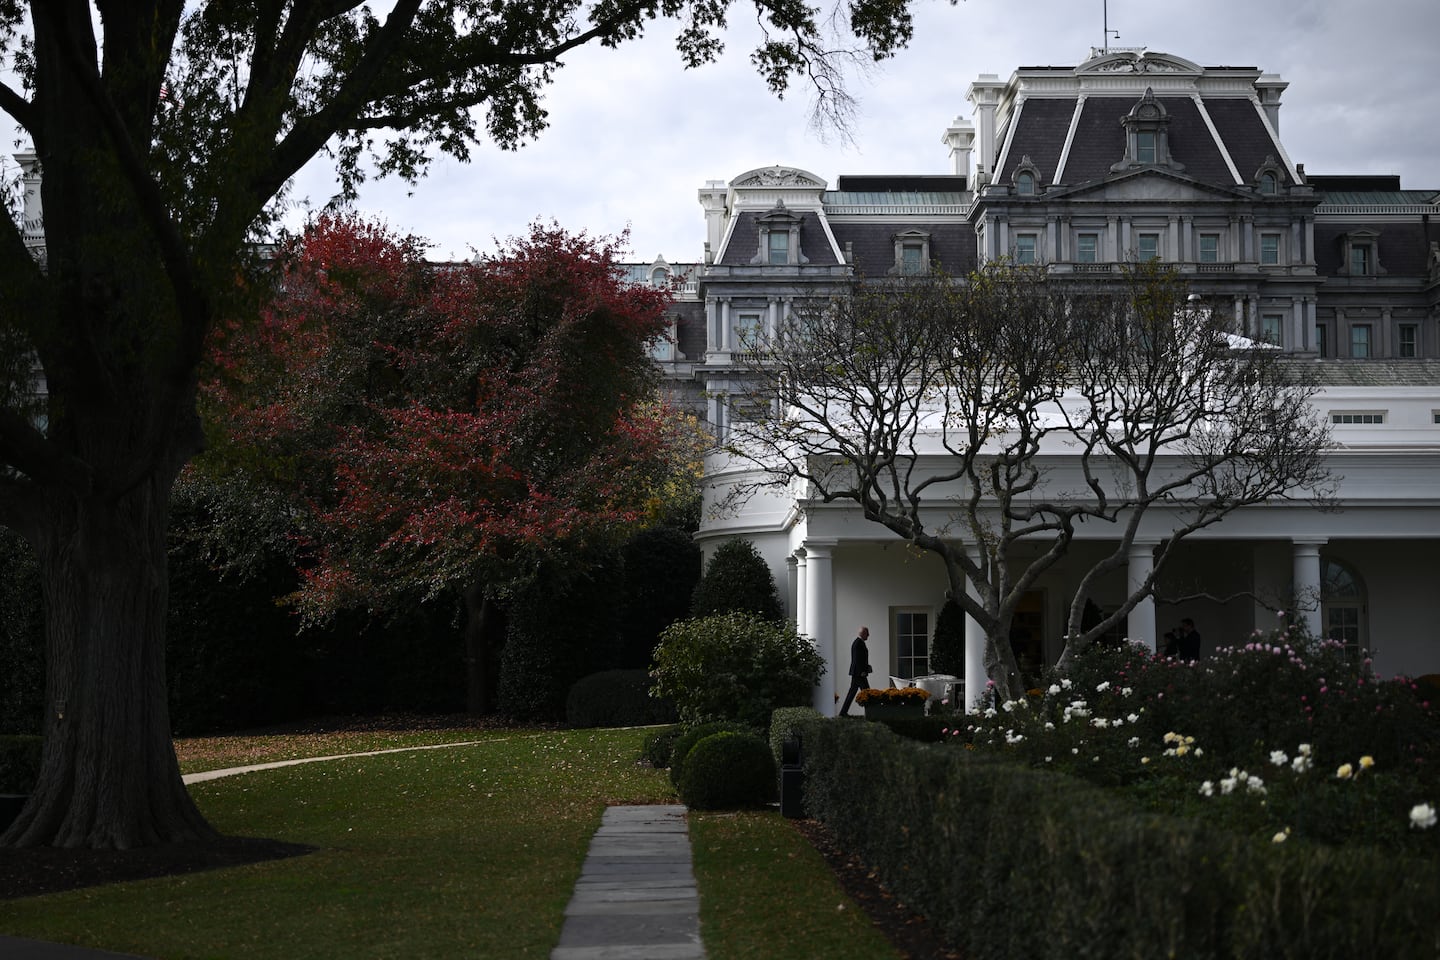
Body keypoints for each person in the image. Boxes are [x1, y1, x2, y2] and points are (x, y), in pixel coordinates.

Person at [839, 626, 872, 716]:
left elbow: (860, 659)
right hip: (859, 674)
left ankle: (843, 712)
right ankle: (870, 713)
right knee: (867, 693)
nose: (868, 635)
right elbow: (857, 659)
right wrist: (862, 671)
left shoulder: (858, 643)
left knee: (854, 692)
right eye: (867, 633)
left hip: (858, 673)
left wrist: (866, 667)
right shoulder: (858, 643)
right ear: (863, 633)